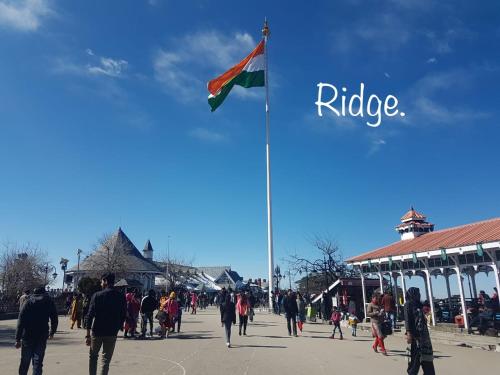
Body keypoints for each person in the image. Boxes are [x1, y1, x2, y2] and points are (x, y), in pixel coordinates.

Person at [85, 273, 127, 375]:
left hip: (97, 331)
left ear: (106, 281)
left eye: (102, 281)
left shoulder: (97, 296)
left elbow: (89, 315)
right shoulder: (120, 297)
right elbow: (123, 314)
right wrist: (119, 326)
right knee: (106, 360)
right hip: (112, 332)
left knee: (93, 356)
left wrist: (88, 334)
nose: (101, 283)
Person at [15, 286, 58, 375]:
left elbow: (21, 320)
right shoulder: (48, 301)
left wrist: (17, 339)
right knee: (38, 363)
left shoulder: (28, 302)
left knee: (25, 362)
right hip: (42, 336)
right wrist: (52, 332)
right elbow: (54, 318)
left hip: (27, 336)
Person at [404, 287, 435, 375]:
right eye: (417, 293)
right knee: (415, 362)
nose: (419, 295)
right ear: (412, 294)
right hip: (415, 337)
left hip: (424, 337)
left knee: (427, 361)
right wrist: (409, 333)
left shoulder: (419, 305)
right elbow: (407, 319)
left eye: (419, 293)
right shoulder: (408, 304)